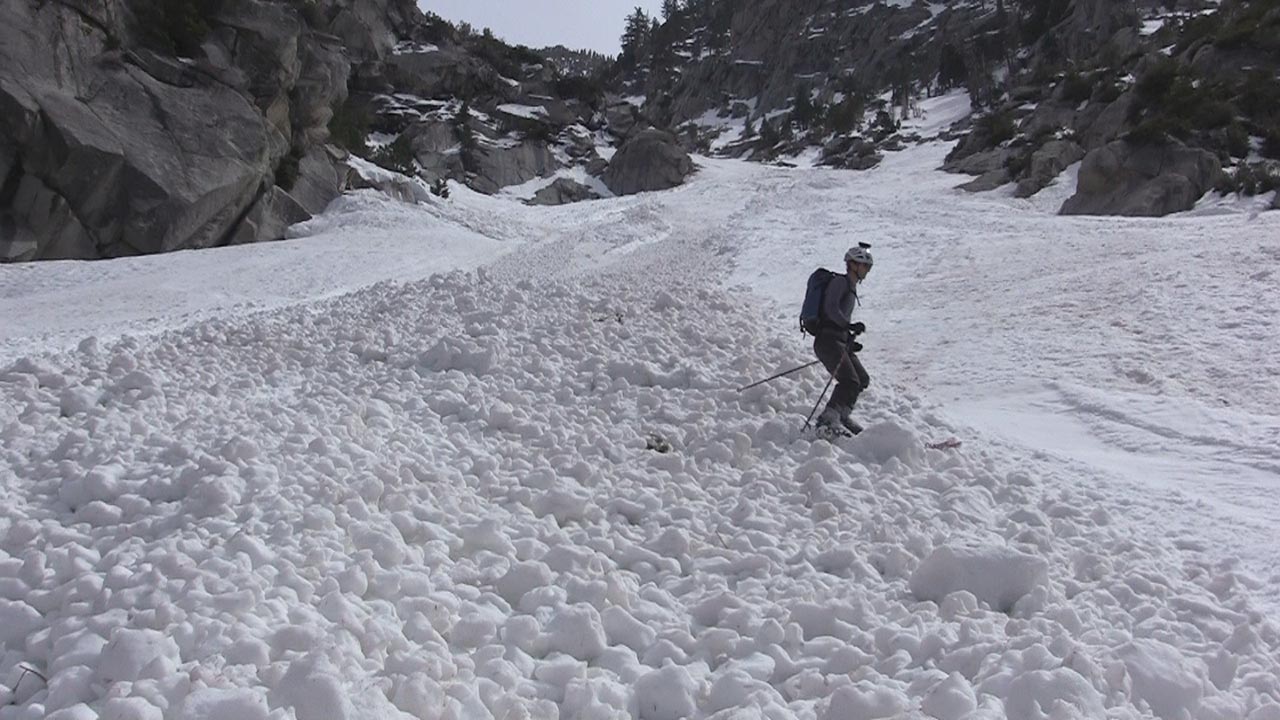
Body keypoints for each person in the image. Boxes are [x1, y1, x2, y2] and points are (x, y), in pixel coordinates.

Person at [814, 244, 872, 436]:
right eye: (864, 266)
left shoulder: (850, 287)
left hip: (838, 342)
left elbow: (837, 317)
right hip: (827, 341)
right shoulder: (840, 282)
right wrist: (848, 326)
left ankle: (841, 415)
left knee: (861, 379)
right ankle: (828, 419)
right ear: (853, 265)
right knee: (849, 381)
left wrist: (848, 337)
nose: (866, 270)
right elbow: (831, 309)